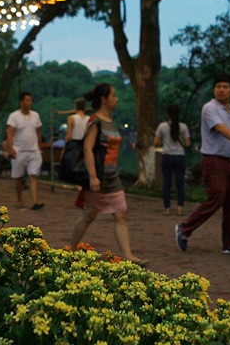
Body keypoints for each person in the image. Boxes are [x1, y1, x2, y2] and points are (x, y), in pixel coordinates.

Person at [175, 74, 230, 255]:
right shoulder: (209, 108)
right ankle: (184, 228)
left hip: (229, 161)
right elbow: (221, 129)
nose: (221, 90)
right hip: (213, 161)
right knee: (216, 198)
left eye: (225, 87)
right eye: (218, 86)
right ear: (214, 90)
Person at [69, 84, 145, 265]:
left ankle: (127, 255)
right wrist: (93, 177)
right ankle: (71, 251)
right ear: (104, 99)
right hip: (99, 178)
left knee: (121, 214)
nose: (116, 99)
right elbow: (87, 149)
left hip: (112, 177)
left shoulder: (109, 120)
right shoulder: (96, 121)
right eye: (113, 95)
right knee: (89, 215)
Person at [6, 91, 44, 210]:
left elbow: (38, 131)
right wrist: (11, 148)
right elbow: (10, 133)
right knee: (19, 177)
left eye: (30, 100)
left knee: (33, 175)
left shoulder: (35, 115)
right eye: (27, 100)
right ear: (21, 102)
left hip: (34, 150)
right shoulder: (14, 116)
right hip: (19, 151)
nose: (30, 103)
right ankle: (19, 199)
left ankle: (35, 201)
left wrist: (40, 145)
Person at [154, 103, 191, 216]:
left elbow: (156, 142)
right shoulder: (183, 127)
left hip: (167, 156)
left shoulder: (162, 126)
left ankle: (167, 209)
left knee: (167, 184)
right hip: (179, 156)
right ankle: (180, 208)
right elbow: (187, 143)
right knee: (180, 184)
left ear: (168, 114)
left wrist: (164, 141)